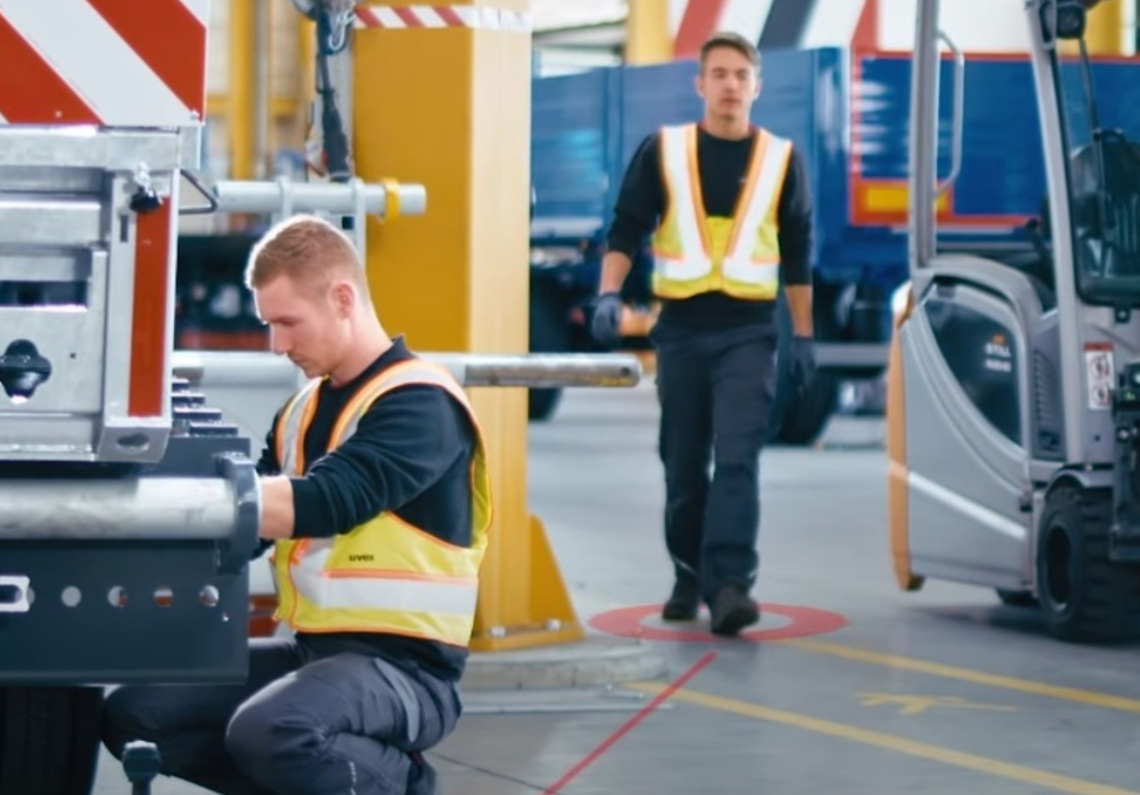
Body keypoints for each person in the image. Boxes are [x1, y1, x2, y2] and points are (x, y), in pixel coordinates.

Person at [101, 214, 492, 795]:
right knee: (139, 713)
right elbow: (249, 525)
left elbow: (329, 499)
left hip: (408, 673)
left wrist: (185, 503)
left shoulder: (419, 404)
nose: (277, 345)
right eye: (268, 325)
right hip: (316, 654)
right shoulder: (302, 411)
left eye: (288, 323)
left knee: (273, 730)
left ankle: (397, 784)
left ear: (342, 299)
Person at [591, 31, 815, 637]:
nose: (730, 85)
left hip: (750, 331)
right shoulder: (664, 151)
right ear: (700, 84)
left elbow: (798, 254)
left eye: (741, 74)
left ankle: (730, 585)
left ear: (757, 86)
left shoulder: (780, 160)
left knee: (739, 459)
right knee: (683, 464)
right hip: (683, 332)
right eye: (718, 74)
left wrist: (805, 336)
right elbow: (626, 228)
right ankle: (689, 573)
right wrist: (610, 294)